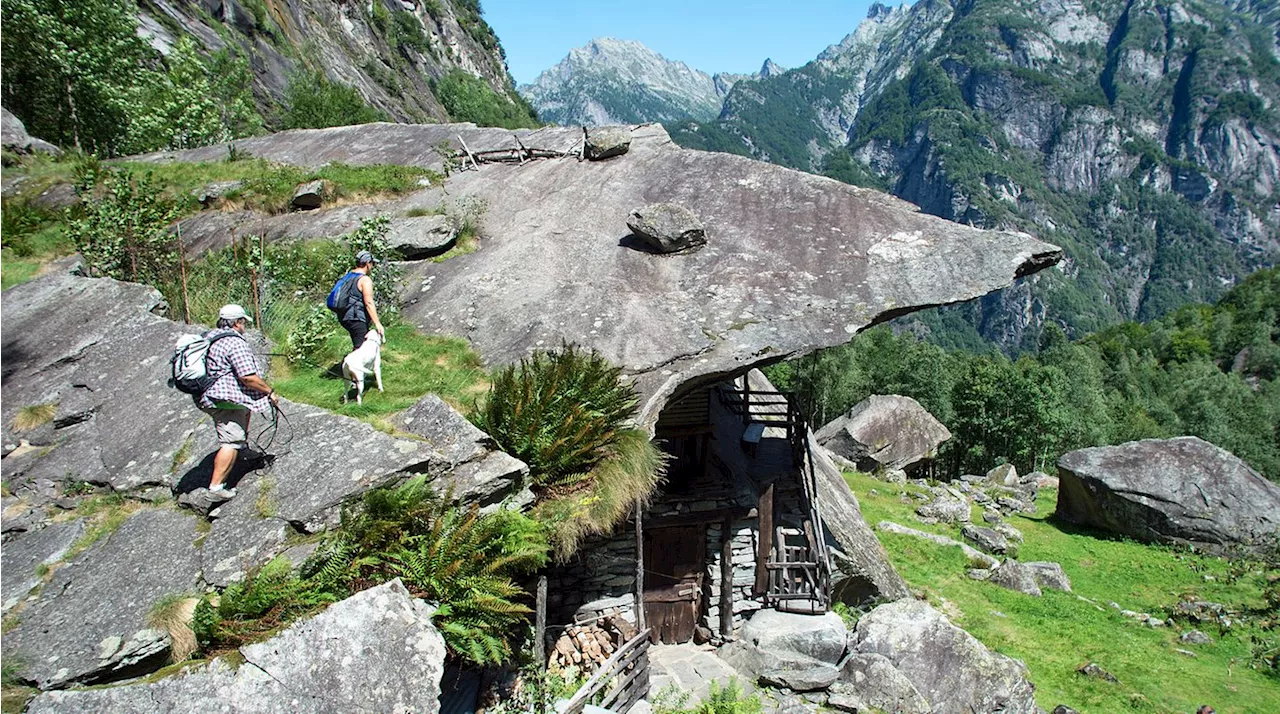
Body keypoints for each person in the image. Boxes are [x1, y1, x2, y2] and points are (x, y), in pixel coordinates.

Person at [198, 304, 278, 497]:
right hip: (223, 398)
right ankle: (216, 488)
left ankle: (242, 452)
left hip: (206, 393)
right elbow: (247, 377)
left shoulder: (209, 337)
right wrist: (269, 391)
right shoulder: (235, 343)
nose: (244, 327)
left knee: (245, 410)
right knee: (231, 439)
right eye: (243, 322)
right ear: (236, 323)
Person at [338, 250, 386, 349]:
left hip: (344, 316)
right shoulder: (365, 280)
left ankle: (351, 362)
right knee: (361, 349)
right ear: (368, 264)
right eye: (372, 263)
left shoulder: (347, 276)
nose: (372, 266)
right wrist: (377, 323)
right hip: (356, 317)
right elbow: (369, 302)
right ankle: (351, 364)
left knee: (359, 344)